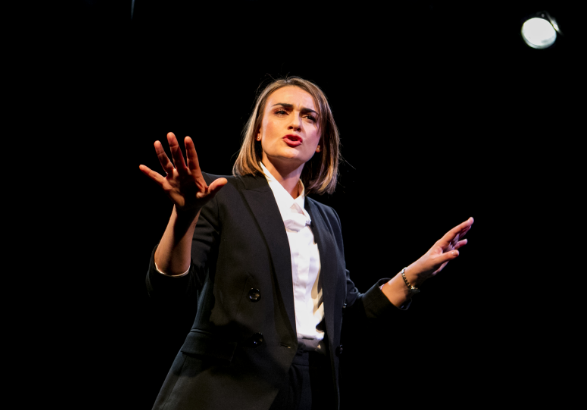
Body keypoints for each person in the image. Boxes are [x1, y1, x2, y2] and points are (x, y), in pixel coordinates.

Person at [138, 77, 473, 410]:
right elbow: (168, 295)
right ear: (258, 130)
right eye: (282, 112)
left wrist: (414, 274)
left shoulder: (327, 219)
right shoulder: (219, 193)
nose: (295, 122)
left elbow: (350, 319)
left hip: (310, 386)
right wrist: (183, 220)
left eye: (309, 117)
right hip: (227, 385)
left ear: (320, 143)